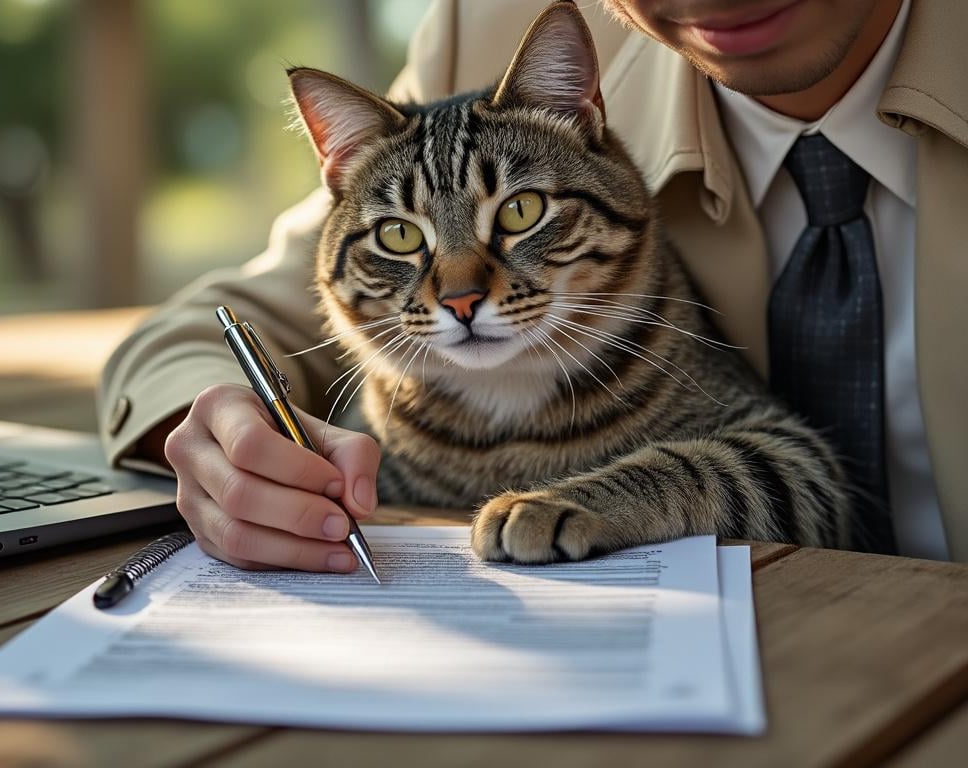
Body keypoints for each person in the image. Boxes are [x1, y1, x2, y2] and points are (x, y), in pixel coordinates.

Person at [98, 0, 968, 569]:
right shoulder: (483, 35)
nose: (462, 290)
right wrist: (218, 434)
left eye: (513, 219)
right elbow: (241, 312)